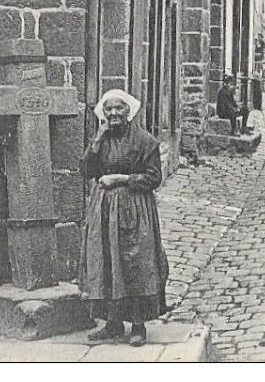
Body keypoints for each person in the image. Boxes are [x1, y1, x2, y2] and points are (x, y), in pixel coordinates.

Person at [79, 90, 169, 347]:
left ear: (128, 111)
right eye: (108, 110)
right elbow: (86, 171)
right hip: (104, 210)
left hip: (135, 210)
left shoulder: (144, 141)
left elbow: (153, 178)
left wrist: (122, 180)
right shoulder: (102, 139)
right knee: (107, 262)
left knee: (135, 262)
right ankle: (112, 322)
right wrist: (96, 139)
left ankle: (138, 325)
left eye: (119, 109)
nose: (114, 114)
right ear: (103, 114)